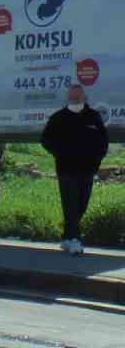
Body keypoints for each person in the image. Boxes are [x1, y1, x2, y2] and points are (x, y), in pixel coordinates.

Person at [41, 84, 109, 256]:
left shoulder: (93, 117)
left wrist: (96, 162)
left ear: (84, 98)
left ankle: (66, 237)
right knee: (70, 205)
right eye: (72, 97)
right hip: (66, 170)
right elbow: (45, 140)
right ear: (68, 98)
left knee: (81, 205)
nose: (75, 100)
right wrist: (60, 153)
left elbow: (103, 142)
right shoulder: (59, 117)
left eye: (78, 97)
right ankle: (75, 240)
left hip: (87, 170)